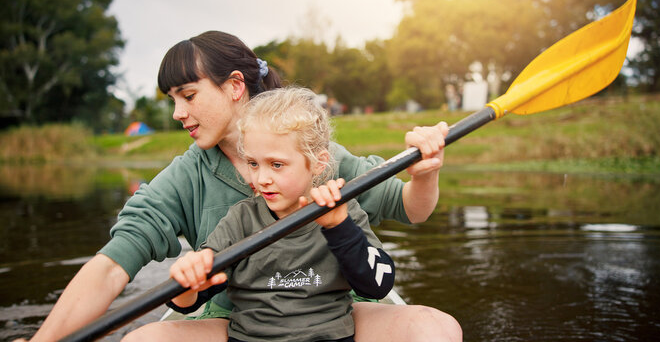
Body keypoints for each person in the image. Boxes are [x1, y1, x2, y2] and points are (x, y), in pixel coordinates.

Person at [23, 31, 462, 342]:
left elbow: (412, 208)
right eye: (172, 99)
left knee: (435, 330)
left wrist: (425, 173)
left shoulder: (320, 159)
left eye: (188, 95)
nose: (177, 113)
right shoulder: (186, 176)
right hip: (236, 322)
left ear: (235, 86)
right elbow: (112, 266)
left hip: (328, 311)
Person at [164, 86, 397, 341]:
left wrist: (339, 227)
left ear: (318, 163)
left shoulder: (344, 212)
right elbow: (194, 298)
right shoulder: (241, 221)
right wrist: (186, 284)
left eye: (277, 165)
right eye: (253, 163)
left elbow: (377, 284)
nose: (262, 179)